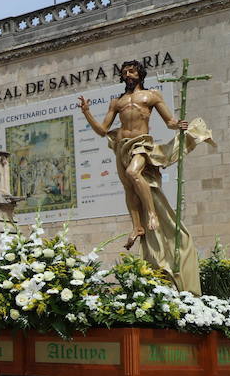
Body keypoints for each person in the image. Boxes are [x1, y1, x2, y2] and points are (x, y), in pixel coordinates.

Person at [79, 59, 215, 290]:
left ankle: (151, 214)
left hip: (141, 143)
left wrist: (178, 125)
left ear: (140, 74)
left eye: (131, 71)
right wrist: (87, 113)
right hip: (121, 146)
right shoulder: (117, 102)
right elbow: (103, 130)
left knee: (134, 173)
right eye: (124, 72)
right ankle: (137, 226)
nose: (128, 74)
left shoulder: (151, 96)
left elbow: (169, 120)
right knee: (129, 188)